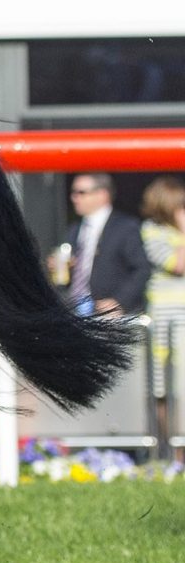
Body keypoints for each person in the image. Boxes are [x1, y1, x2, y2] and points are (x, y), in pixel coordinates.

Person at [64, 173, 147, 317]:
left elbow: (141, 269)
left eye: (81, 192)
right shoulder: (75, 229)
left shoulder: (125, 226)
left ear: (102, 194)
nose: (74, 198)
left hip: (110, 315)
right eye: (73, 192)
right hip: (76, 312)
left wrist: (119, 301)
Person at [137, 176, 185, 410]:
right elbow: (177, 264)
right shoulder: (152, 231)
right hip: (166, 316)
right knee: (163, 387)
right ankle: (169, 445)